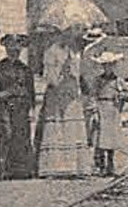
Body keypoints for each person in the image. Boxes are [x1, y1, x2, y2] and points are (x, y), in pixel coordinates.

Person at [37, 30, 93, 178]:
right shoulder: (51, 52)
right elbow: (50, 79)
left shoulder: (75, 52)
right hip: (57, 96)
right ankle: (55, 168)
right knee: (57, 129)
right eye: (66, 33)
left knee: (73, 129)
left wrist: (75, 73)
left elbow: (80, 75)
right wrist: (61, 70)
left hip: (72, 96)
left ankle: (76, 167)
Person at [0, 34, 36, 180]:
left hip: (20, 107)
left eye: (17, 49)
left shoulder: (25, 69)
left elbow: (31, 91)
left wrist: (30, 107)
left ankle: (20, 171)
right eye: (11, 48)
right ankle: (2, 170)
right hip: (3, 107)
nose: (14, 51)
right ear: (6, 49)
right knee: (3, 137)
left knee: (20, 136)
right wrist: (0, 93)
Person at [91, 52, 125, 176]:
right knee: (100, 138)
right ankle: (100, 165)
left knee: (111, 138)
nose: (108, 68)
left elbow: (126, 96)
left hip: (113, 109)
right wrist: (94, 111)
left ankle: (110, 164)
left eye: (110, 65)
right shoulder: (98, 80)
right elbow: (93, 96)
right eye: (105, 65)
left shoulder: (118, 80)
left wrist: (122, 96)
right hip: (101, 107)